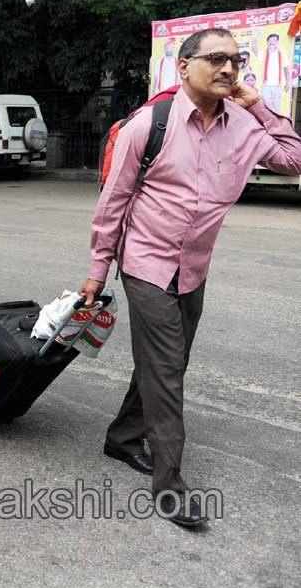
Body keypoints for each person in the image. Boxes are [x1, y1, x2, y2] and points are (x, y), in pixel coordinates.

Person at [81, 28, 301, 527]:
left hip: (193, 267)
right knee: (167, 371)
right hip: (145, 263)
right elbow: (113, 202)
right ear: (184, 67)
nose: (228, 69)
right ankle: (170, 487)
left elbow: (295, 159)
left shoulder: (244, 127)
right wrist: (97, 271)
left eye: (236, 61)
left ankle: (121, 437)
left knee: (168, 360)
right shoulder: (149, 124)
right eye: (216, 59)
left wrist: (260, 105)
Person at [253, 31, 289, 112]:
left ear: (277, 42)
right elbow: (254, 49)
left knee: (276, 109)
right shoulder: (263, 53)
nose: (272, 42)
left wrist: (288, 82)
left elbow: (286, 68)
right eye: (270, 40)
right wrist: (255, 38)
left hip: (277, 86)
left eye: (274, 40)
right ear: (267, 42)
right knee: (266, 108)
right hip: (265, 86)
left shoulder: (282, 53)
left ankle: (276, 124)